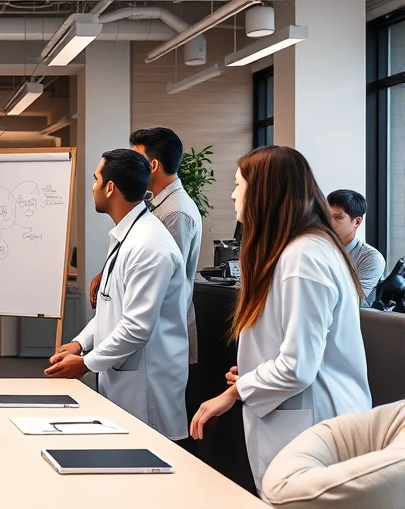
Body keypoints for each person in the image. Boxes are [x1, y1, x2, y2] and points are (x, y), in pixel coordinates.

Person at [190, 146, 372, 492]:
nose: (232, 194)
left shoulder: (304, 257)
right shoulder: (297, 251)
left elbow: (298, 366)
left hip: (317, 423)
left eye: (238, 184)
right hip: (302, 420)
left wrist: (234, 393)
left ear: (263, 193)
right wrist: (254, 371)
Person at [46, 149, 190, 441]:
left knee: (149, 466)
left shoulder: (150, 245)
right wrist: (80, 343)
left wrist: (86, 363)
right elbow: (111, 307)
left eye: (96, 179)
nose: (93, 186)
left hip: (146, 385)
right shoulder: (130, 235)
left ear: (110, 188)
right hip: (122, 375)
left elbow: (137, 328)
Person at [130, 127, 202, 365]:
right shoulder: (159, 203)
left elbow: (164, 279)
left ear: (153, 165)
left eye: (137, 160)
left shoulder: (176, 211)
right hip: (157, 330)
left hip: (166, 334)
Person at [327, 189, 386, 306]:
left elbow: (351, 301)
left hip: (355, 321)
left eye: (337, 217)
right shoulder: (318, 249)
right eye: (326, 216)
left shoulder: (370, 258)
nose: (328, 222)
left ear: (357, 222)